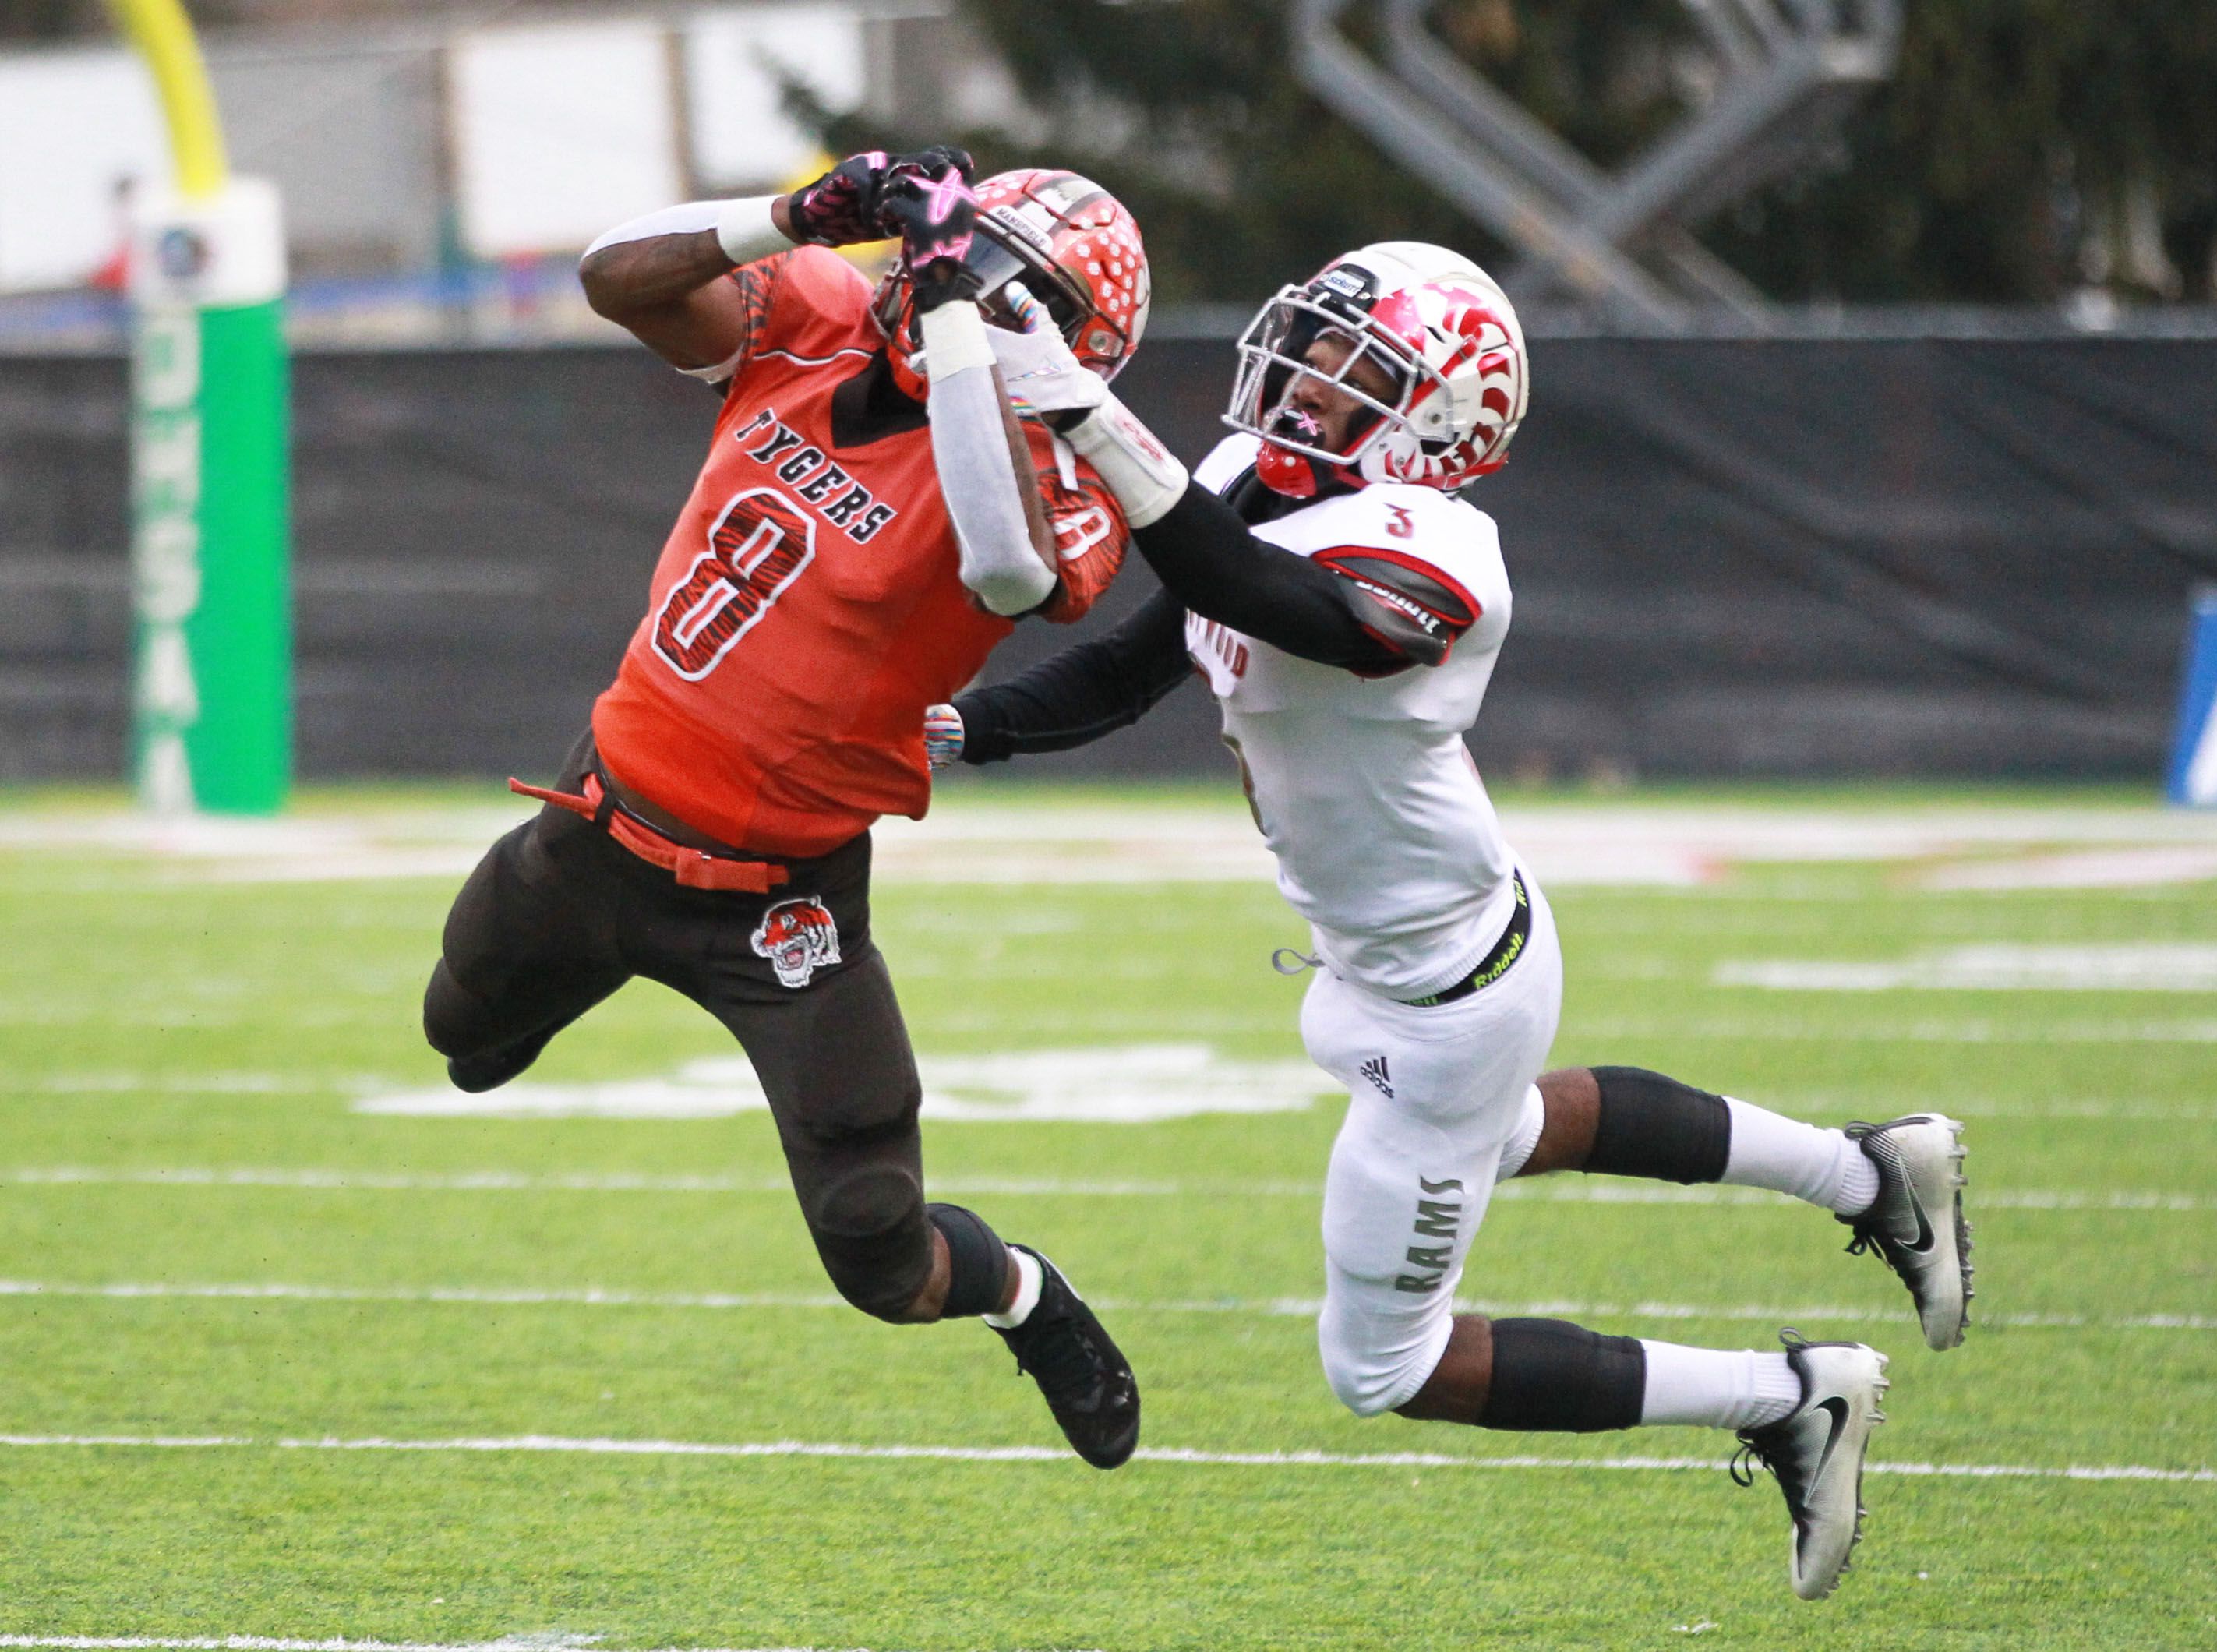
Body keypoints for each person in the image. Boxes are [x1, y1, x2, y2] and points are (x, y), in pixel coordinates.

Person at [926, 241, 1975, 1592]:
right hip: (1415, 958)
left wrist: (1084, 408)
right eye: (1311, 344)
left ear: (1434, 423)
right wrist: (959, 731)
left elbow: (1280, 602)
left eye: (1353, 369)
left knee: (1383, 1367)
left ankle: (1787, 1396)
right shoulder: (1256, 479)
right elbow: (1137, 665)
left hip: (1447, 999)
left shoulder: (1441, 549)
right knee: (1520, 1131)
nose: (1304, 383)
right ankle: (1870, 1172)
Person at [422, 150, 1152, 1469]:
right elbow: (613, 279)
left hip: (784, 919)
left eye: (1001, 282)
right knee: (459, 1036)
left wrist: (948, 324)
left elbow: (998, 560)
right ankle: (548, 979)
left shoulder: (1061, 476)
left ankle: (1028, 1298)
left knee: (883, 1253)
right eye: (960, 252)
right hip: (599, 824)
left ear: (1065, 344)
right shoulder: (814, 320)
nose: (964, 284)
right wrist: (798, 215)